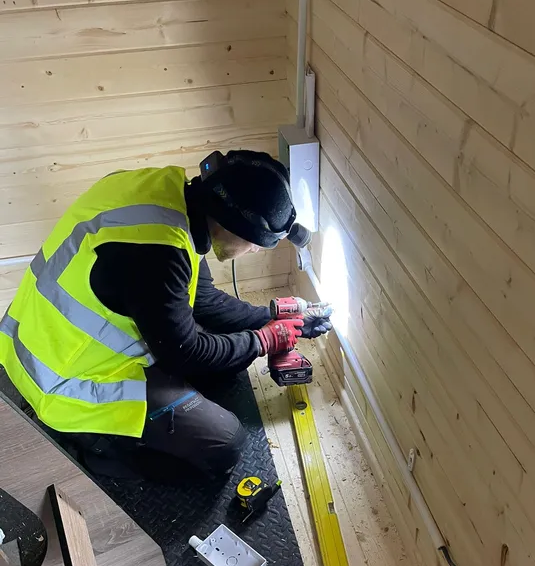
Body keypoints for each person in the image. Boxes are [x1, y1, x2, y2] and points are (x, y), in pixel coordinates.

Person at [0, 150, 332, 480]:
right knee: (224, 445)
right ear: (231, 224)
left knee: (226, 360)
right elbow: (185, 354)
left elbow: (203, 300)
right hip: (65, 382)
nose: (255, 250)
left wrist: (269, 319)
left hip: (41, 338)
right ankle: (95, 446)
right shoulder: (157, 253)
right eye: (256, 243)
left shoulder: (172, 202)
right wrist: (262, 341)